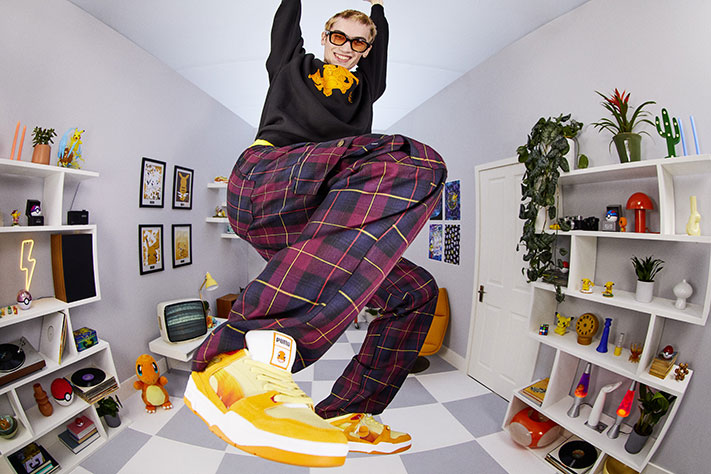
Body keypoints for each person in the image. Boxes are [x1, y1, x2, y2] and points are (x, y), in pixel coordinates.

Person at [185, 0, 446, 467]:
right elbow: (286, 22)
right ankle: (237, 358)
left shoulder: (366, 88)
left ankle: (350, 411)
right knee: (413, 159)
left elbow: (380, 48)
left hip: (309, 221)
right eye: (338, 37)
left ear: (367, 50)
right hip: (266, 180)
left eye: (358, 42)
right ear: (325, 38)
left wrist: (378, 9)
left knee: (415, 292)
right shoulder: (293, 65)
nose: (346, 48)